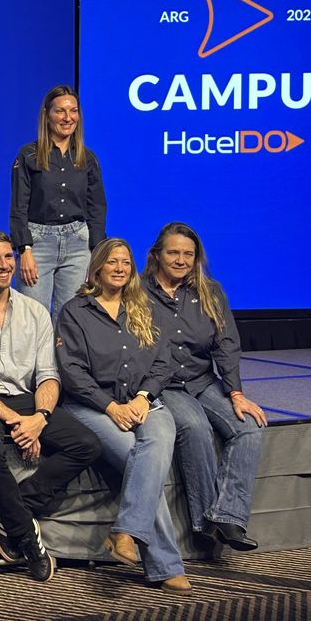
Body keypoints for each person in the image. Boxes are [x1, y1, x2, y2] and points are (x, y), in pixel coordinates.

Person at [0, 231, 101, 582]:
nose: (4, 265)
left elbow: (48, 375)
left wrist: (39, 418)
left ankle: (14, 507)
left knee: (87, 444)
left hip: (26, 399)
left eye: (8, 257)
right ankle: (26, 537)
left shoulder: (35, 311)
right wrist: (18, 422)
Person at [56, 239, 190, 593]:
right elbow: (72, 372)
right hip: (92, 406)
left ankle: (125, 532)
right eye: (112, 262)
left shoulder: (145, 306)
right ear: (97, 267)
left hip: (143, 402)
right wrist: (110, 406)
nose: (119, 268)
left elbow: (164, 362)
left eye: (126, 263)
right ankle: (165, 564)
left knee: (157, 443)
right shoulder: (75, 311)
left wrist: (144, 398)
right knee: (140, 460)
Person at [142, 222, 266, 551]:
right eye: (173, 253)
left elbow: (226, 344)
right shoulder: (137, 292)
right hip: (163, 383)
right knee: (195, 426)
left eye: (188, 254)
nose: (181, 260)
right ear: (157, 255)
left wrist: (236, 393)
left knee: (249, 426)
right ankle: (204, 523)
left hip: (200, 379)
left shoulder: (210, 291)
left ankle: (227, 517)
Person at [10, 85, 107, 321]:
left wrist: (96, 253)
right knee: (34, 319)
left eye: (73, 111)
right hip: (38, 244)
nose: (67, 117)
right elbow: (19, 207)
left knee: (71, 320)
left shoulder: (88, 158)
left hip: (78, 245)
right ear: (47, 115)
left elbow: (96, 207)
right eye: (60, 111)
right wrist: (24, 250)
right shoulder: (28, 155)